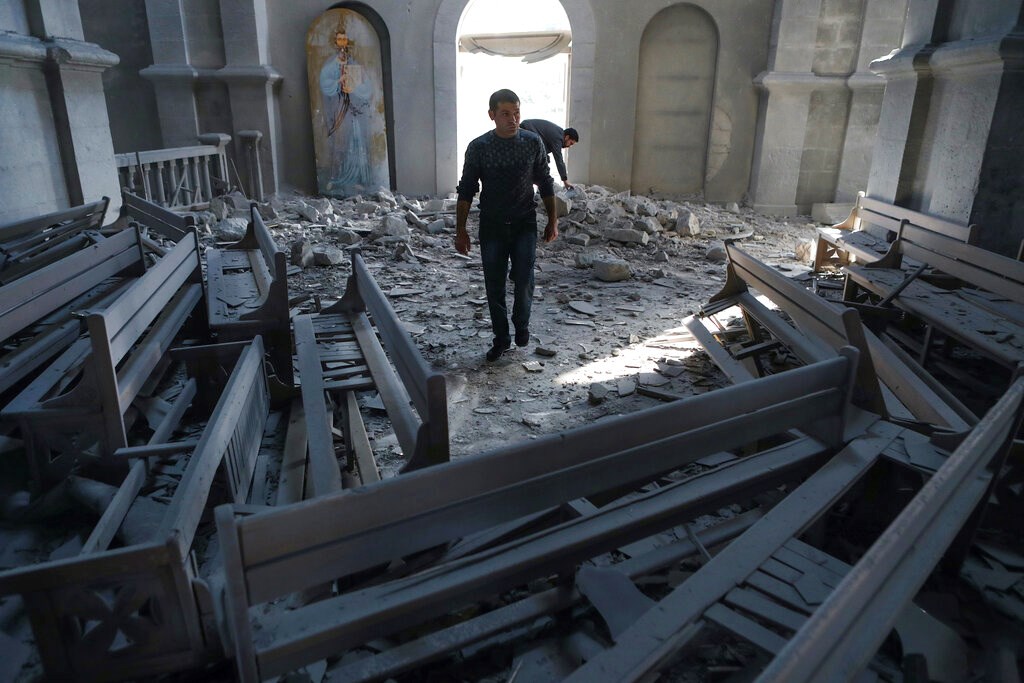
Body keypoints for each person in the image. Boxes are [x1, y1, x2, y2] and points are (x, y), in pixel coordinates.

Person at [455, 89, 558, 362]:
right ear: (492, 116)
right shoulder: (479, 147)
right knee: (494, 286)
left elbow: (545, 181)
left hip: (525, 222)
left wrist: (553, 220)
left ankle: (521, 324)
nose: (512, 119)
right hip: (492, 226)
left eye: (516, 113)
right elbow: (466, 190)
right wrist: (460, 230)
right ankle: (501, 339)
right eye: (505, 114)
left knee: (524, 278)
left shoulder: (532, 142)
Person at [318, 29, 373, 192]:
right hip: (338, 110)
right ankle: (337, 178)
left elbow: (367, 87)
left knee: (357, 141)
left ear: (348, 43)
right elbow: (324, 85)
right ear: (335, 43)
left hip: (355, 111)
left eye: (345, 39)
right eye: (339, 39)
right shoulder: (329, 67)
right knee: (340, 141)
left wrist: (354, 87)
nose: (342, 43)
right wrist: (338, 81)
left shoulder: (355, 65)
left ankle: (359, 178)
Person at [519, 119, 579, 189]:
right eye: (570, 143)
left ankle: (539, 188)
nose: (569, 146)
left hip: (528, 129)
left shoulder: (558, 133)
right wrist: (565, 181)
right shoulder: (558, 137)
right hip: (527, 129)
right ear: (567, 137)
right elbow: (559, 159)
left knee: (545, 160)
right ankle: (538, 188)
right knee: (543, 161)